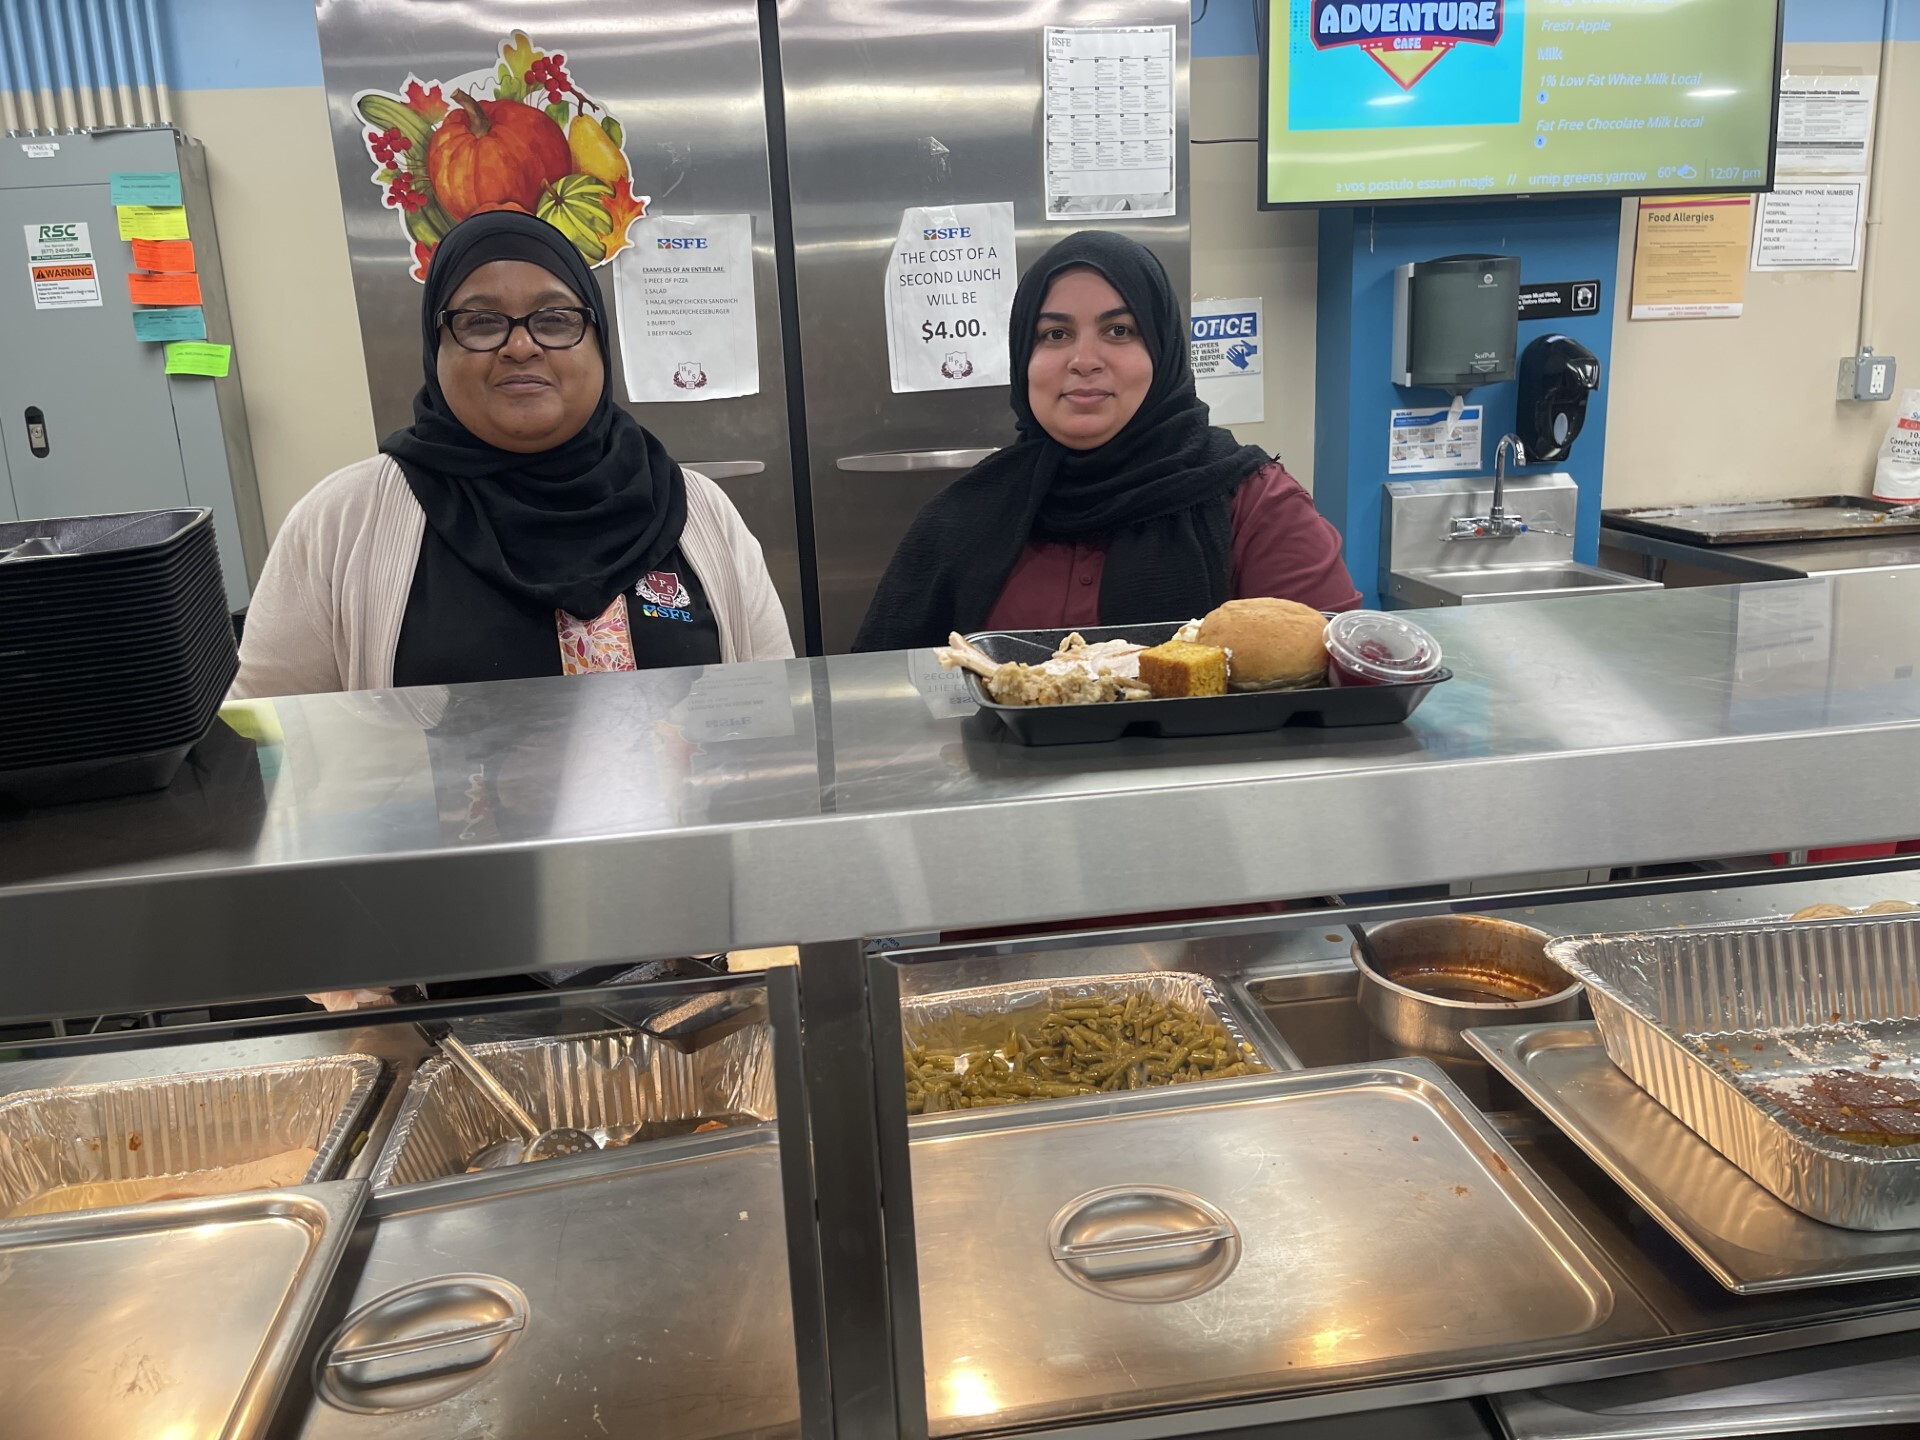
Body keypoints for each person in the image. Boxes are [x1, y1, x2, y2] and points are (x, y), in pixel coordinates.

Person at [234, 209, 791, 700]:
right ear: (437, 348)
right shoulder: (341, 522)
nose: (520, 346)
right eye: (481, 323)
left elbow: (769, 705)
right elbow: (271, 740)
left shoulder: (696, 511)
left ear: (599, 340)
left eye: (554, 320)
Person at [854, 231, 1359, 652]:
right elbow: (885, 698)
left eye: (1119, 330)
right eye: (1054, 335)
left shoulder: (1255, 506)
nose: (1084, 359)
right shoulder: (965, 514)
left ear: (1162, 354)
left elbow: (1332, 676)